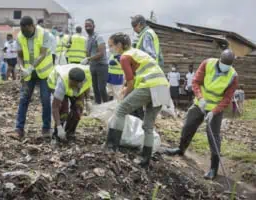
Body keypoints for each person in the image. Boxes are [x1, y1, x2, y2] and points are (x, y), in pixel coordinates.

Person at [165, 49, 238, 180]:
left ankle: (213, 169)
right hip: (200, 104)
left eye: (228, 66)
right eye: (223, 65)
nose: (225, 68)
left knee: (213, 136)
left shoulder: (233, 76)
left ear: (231, 65)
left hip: (216, 109)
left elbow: (227, 98)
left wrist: (214, 112)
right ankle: (181, 149)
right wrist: (200, 97)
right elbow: (195, 82)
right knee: (188, 125)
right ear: (219, 60)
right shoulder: (207, 64)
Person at [105, 33, 170, 167]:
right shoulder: (137, 53)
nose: (110, 49)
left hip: (149, 85)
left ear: (119, 45)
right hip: (163, 87)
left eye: (111, 46)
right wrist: (125, 88)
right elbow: (132, 77)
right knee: (148, 125)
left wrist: (125, 95)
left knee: (121, 110)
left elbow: (131, 82)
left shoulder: (124, 57)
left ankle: (111, 147)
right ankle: (145, 159)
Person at [14, 16, 54, 138]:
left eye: (27, 31)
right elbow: (20, 55)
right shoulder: (20, 36)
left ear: (33, 26)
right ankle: (19, 129)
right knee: (23, 99)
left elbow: (43, 54)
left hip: (44, 73)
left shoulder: (44, 34)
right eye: (23, 31)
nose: (25, 34)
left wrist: (31, 68)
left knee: (46, 100)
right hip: (28, 75)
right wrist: (21, 68)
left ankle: (46, 128)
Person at [48, 65, 92, 142]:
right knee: (63, 110)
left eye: (74, 85)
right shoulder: (62, 83)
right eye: (71, 84)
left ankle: (70, 133)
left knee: (78, 109)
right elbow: (55, 107)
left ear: (81, 82)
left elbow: (87, 86)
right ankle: (57, 134)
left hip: (77, 88)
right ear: (70, 80)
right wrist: (59, 127)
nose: (72, 86)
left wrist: (88, 100)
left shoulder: (87, 76)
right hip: (54, 84)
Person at [81, 18, 108, 104]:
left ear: (94, 26)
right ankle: (98, 107)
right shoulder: (88, 39)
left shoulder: (98, 37)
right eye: (86, 26)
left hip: (101, 66)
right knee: (95, 88)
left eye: (89, 26)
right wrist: (87, 59)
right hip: (93, 66)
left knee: (101, 88)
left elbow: (101, 53)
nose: (87, 28)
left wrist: (88, 59)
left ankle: (107, 106)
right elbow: (88, 52)